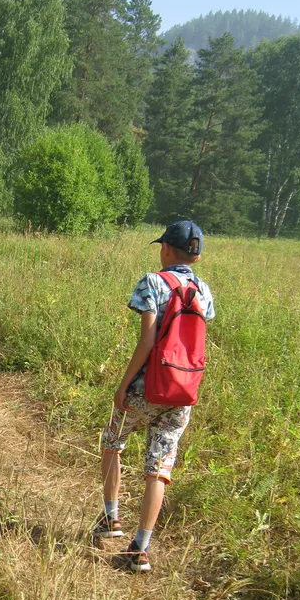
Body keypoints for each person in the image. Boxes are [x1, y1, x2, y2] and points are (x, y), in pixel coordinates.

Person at [94, 220, 215, 572]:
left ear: (165, 249)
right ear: (196, 256)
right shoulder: (204, 291)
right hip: (182, 393)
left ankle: (111, 519)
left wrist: (123, 385)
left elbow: (147, 340)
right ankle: (140, 549)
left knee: (113, 442)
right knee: (159, 468)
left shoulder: (153, 282)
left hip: (145, 389)